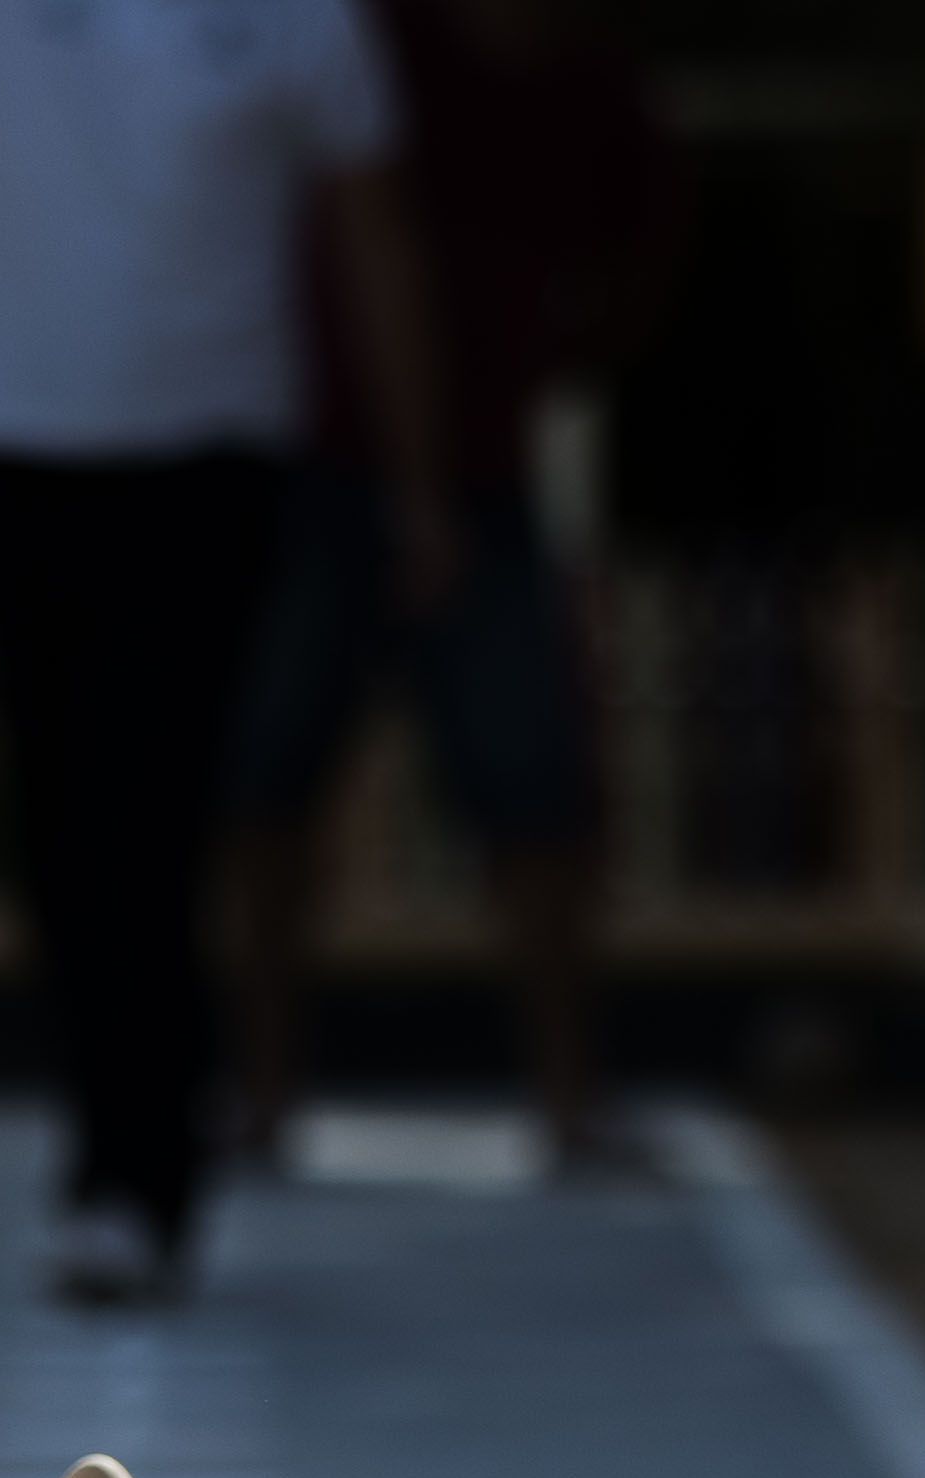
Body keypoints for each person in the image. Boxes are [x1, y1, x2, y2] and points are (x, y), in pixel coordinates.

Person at [0, 0, 452, 1305]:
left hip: (206, 453)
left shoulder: (301, 20)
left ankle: (138, 1175)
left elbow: (373, 229)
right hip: (22, 442)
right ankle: (108, 1137)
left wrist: (420, 478)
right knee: (55, 821)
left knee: (149, 808)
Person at [222, 0, 681, 1174]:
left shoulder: (593, 79)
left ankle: (567, 1095)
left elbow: (634, 265)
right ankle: (259, 1092)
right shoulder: (377, 46)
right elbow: (348, 230)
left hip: (481, 480)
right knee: (267, 776)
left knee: (535, 781)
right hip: (329, 461)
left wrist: (536, 365)